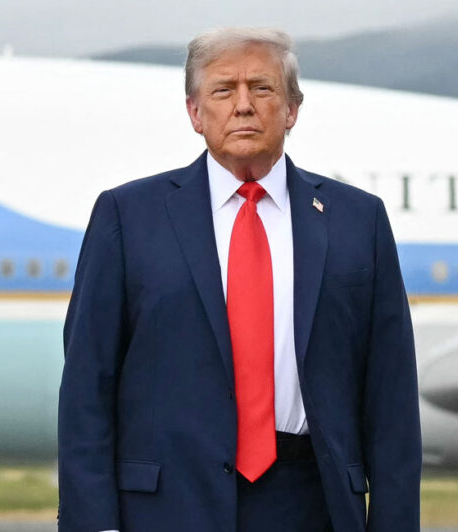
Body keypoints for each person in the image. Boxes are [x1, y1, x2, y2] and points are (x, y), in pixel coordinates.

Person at [58, 27, 420, 531]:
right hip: (165, 509)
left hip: (310, 504)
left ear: (293, 109)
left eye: (263, 88)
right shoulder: (128, 216)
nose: (244, 105)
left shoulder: (358, 222)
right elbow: (86, 390)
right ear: (194, 112)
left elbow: (392, 401)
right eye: (224, 90)